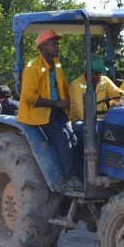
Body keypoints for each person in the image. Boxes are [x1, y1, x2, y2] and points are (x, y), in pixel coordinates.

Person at [17, 28, 83, 188]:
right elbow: (29, 97)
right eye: (54, 43)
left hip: (58, 110)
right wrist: (56, 104)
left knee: (75, 136)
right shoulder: (32, 67)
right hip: (38, 112)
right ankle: (69, 177)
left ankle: (81, 173)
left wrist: (69, 105)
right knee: (62, 136)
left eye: (57, 43)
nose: (57, 46)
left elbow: (63, 86)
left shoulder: (57, 63)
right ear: (43, 46)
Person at [68, 55, 124, 122]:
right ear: (86, 71)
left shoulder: (104, 80)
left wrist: (123, 94)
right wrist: (93, 124)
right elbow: (79, 111)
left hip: (101, 119)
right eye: (95, 74)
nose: (98, 76)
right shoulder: (76, 84)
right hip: (80, 120)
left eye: (100, 73)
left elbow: (115, 91)